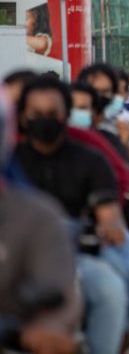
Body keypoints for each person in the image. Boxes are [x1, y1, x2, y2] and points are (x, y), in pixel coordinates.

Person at [14, 75, 129, 354]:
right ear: (21, 116)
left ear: (65, 114)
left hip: (74, 255)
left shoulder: (90, 160)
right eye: (36, 114)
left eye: (52, 113)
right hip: (17, 261)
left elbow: (108, 211)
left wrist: (110, 226)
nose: (44, 120)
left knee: (110, 289)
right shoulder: (9, 161)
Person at [74, 67, 129, 322]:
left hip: (114, 193)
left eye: (107, 92)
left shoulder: (118, 130)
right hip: (66, 204)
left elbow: (126, 168)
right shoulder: (62, 131)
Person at [0, 84, 80, 354]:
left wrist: (50, 326)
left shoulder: (37, 216)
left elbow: (61, 291)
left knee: (106, 287)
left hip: (14, 333)